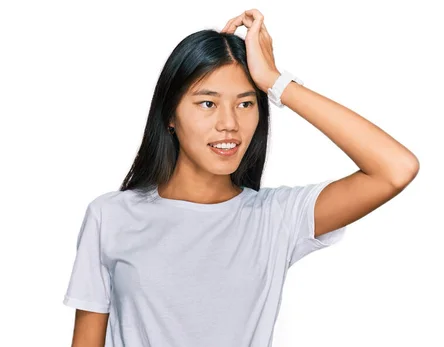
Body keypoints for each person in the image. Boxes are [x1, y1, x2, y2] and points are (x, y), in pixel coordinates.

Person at [62, 8, 419, 347]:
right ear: (170, 115)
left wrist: (276, 81)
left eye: (246, 103)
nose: (229, 124)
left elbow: (395, 169)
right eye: (208, 103)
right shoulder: (111, 216)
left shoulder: (276, 217)